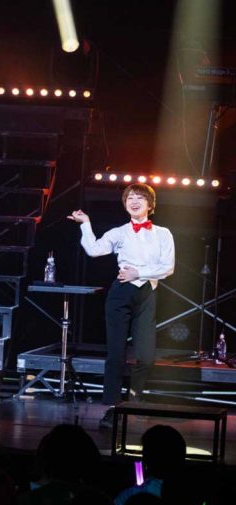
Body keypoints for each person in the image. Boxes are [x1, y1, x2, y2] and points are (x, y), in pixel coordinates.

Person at [68, 183, 175, 427]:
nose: (134, 201)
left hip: (147, 294)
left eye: (139, 198)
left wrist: (139, 273)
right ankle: (113, 408)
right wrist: (85, 223)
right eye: (130, 198)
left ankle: (135, 398)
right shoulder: (119, 232)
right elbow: (94, 250)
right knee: (115, 355)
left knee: (146, 357)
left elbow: (168, 267)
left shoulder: (163, 233)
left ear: (150, 204)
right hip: (120, 295)